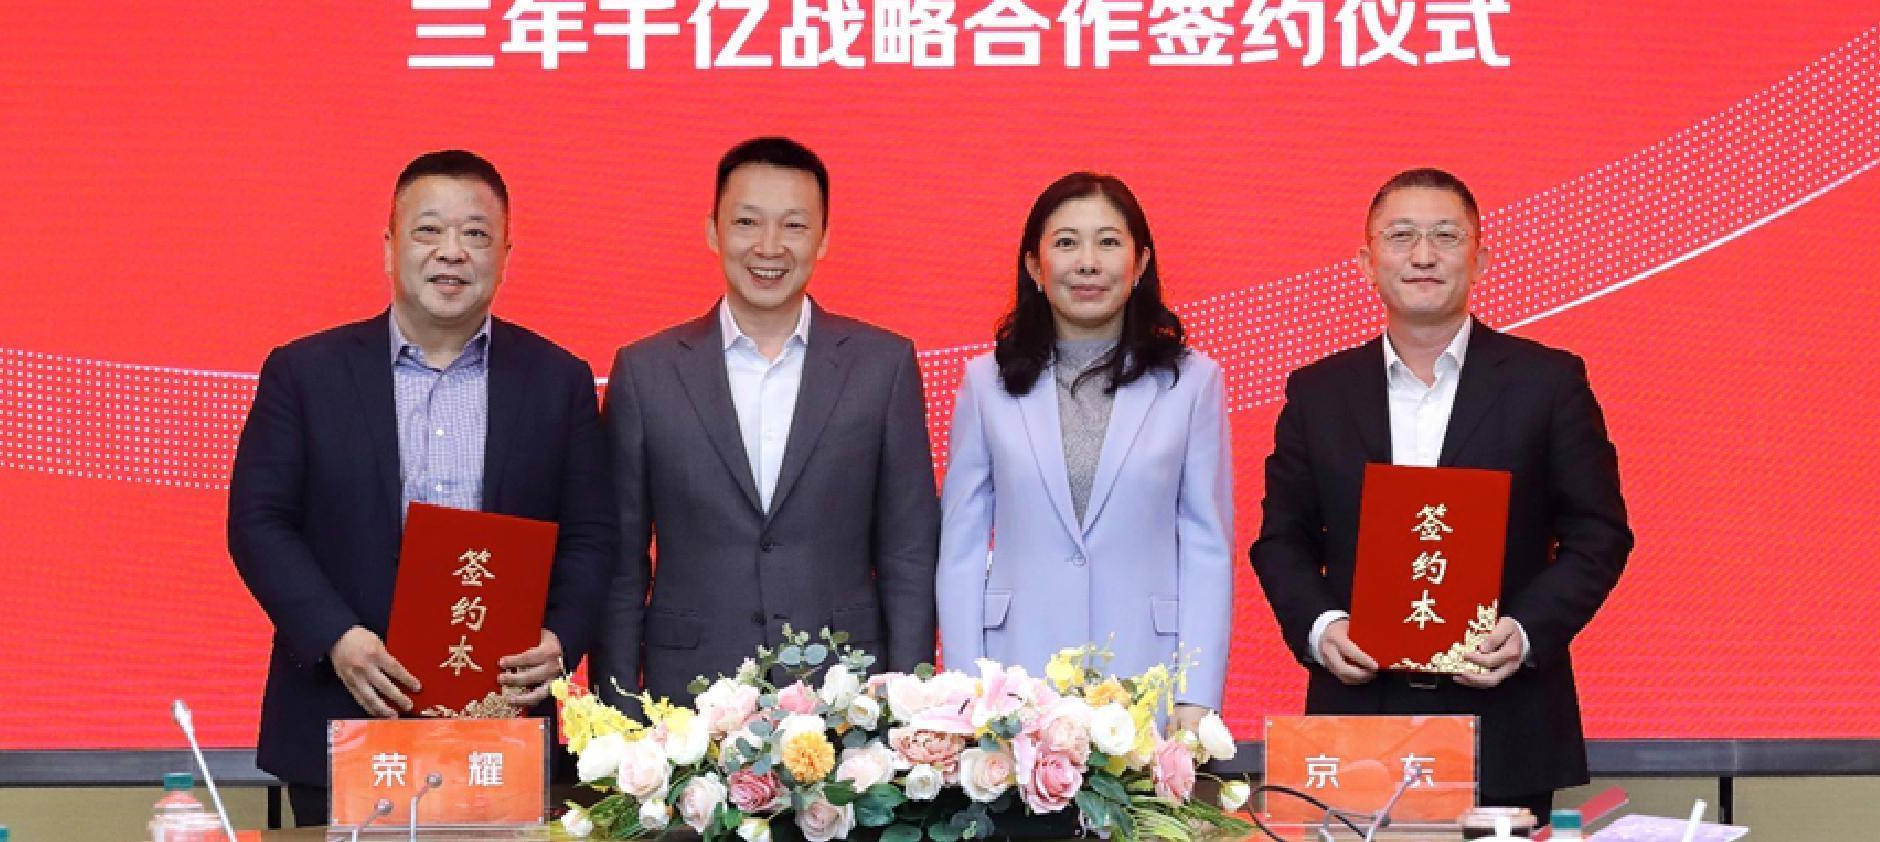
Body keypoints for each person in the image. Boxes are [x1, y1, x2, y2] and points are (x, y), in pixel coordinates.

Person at [228, 150, 613, 827]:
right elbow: (258, 523)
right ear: (389, 247)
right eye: (429, 230)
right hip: (342, 709)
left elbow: (592, 534)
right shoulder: (305, 374)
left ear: (505, 254)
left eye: (475, 233)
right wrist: (337, 637)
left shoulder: (558, 381)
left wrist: (561, 638)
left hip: (501, 720)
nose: (451, 252)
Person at [1250, 168, 1633, 824]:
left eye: (1446, 236)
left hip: (1506, 719)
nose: (1423, 255)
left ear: (1479, 259)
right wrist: (1322, 628)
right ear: (1367, 262)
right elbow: (1282, 539)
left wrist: (1525, 632)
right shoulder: (1318, 392)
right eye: (1401, 236)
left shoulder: (1549, 382)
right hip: (1358, 723)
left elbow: (1598, 534)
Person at [591, 136, 938, 706]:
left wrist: (909, 704)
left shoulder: (884, 366)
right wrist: (619, 710)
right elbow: (621, 563)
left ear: (824, 238)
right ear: (713, 231)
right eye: (747, 222)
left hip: (846, 693)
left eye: (794, 225)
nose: (769, 247)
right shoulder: (646, 372)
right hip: (688, 698)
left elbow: (908, 553)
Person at [938, 172, 1233, 726]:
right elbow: (962, 546)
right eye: (1067, 242)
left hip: (1145, 675)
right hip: (1015, 674)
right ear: (1035, 266)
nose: (1088, 263)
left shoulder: (1192, 382)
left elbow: (1206, 547)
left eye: (1109, 242)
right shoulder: (986, 381)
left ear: (1140, 264)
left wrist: (1196, 696)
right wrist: (963, 690)